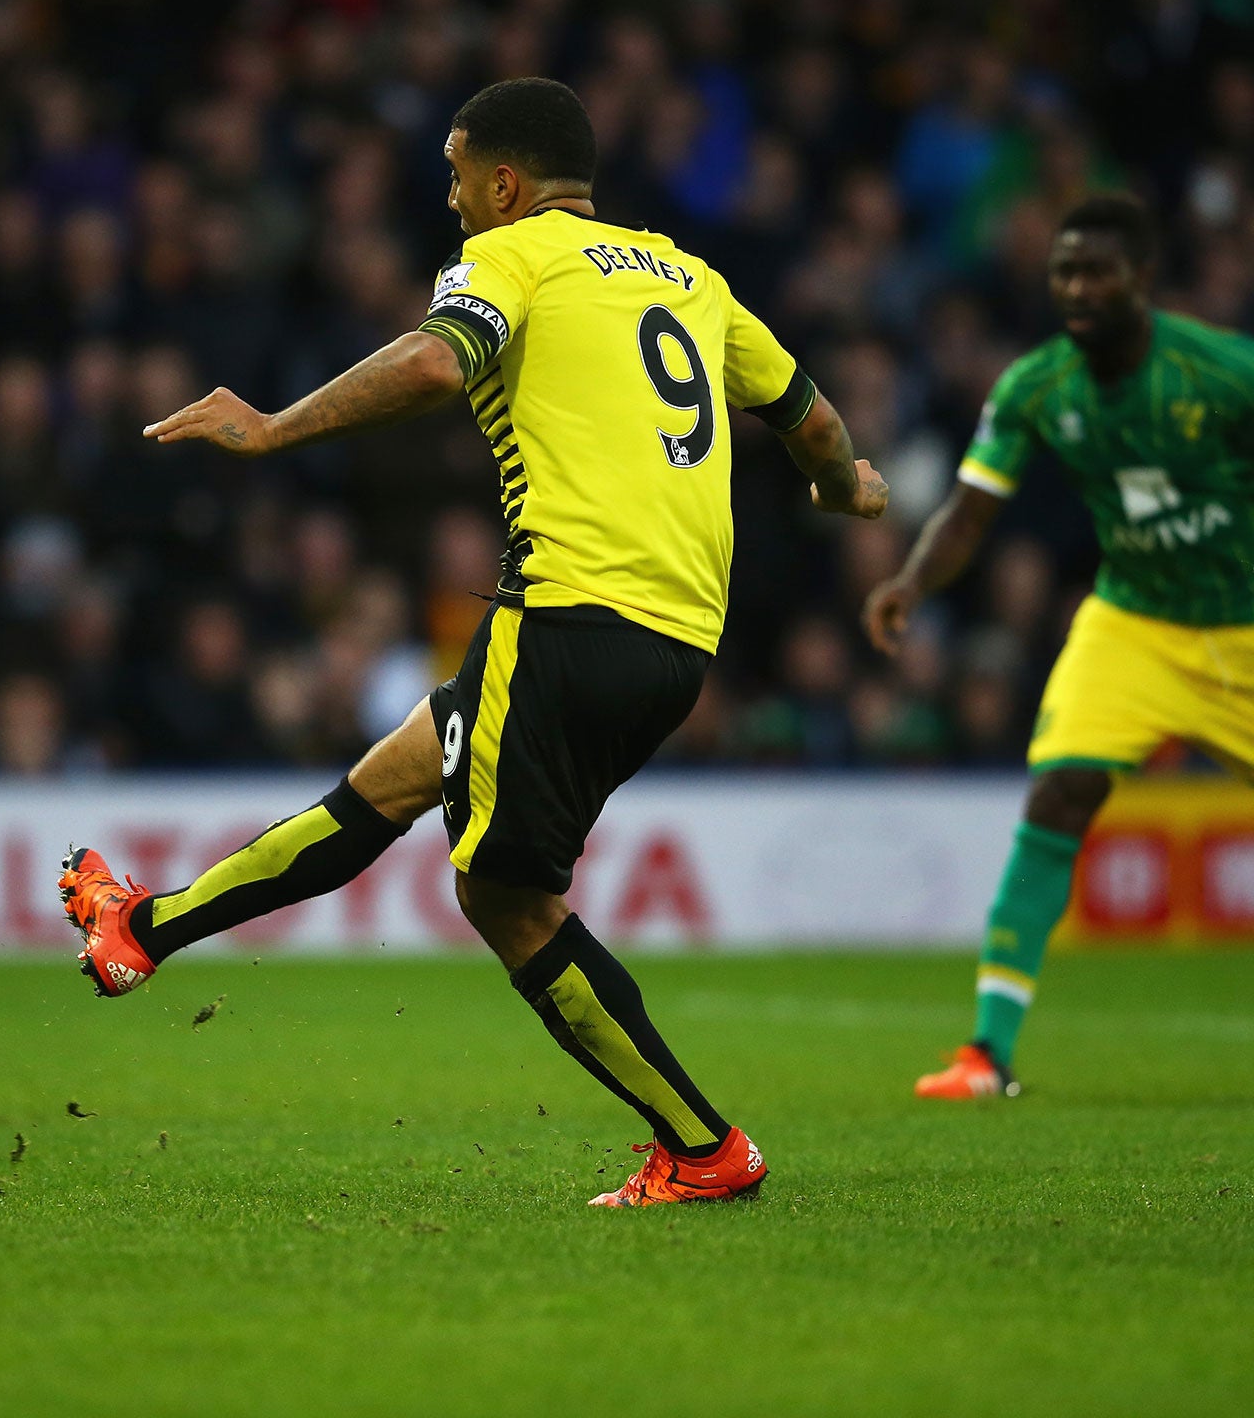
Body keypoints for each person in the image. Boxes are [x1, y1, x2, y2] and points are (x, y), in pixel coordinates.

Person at [57, 78, 889, 1208]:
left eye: (454, 176)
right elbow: (816, 426)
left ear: (504, 181)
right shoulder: (691, 278)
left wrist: (273, 427)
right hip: (678, 644)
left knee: (502, 901)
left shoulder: (512, 255)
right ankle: (139, 935)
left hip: (562, 610)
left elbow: (435, 361)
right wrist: (842, 490)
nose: (449, 202)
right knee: (395, 775)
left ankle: (701, 1147)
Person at [864, 194, 1254, 1101]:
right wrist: (912, 584)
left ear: (1142, 280)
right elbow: (969, 511)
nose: (1076, 287)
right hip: (1135, 623)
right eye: (1064, 271)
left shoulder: (1223, 373)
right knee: (1059, 790)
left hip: (1243, 622)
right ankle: (986, 1055)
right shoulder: (1037, 383)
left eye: (1096, 271)